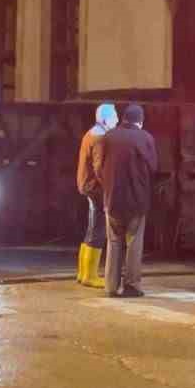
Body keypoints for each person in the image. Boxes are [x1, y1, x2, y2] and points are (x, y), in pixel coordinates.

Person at [92, 101, 157, 298]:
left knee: (114, 242)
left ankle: (111, 286)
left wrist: (108, 185)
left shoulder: (108, 137)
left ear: (123, 119)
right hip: (137, 200)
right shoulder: (146, 138)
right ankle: (131, 286)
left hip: (112, 199)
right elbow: (153, 167)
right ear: (140, 121)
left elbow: (98, 167)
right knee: (134, 243)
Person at [75, 102, 118, 287]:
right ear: (106, 119)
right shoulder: (100, 138)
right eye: (114, 116)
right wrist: (109, 185)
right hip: (95, 187)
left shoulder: (90, 133)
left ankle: (83, 273)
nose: (117, 120)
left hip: (87, 185)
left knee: (92, 228)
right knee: (98, 229)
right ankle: (90, 276)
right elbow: (99, 167)